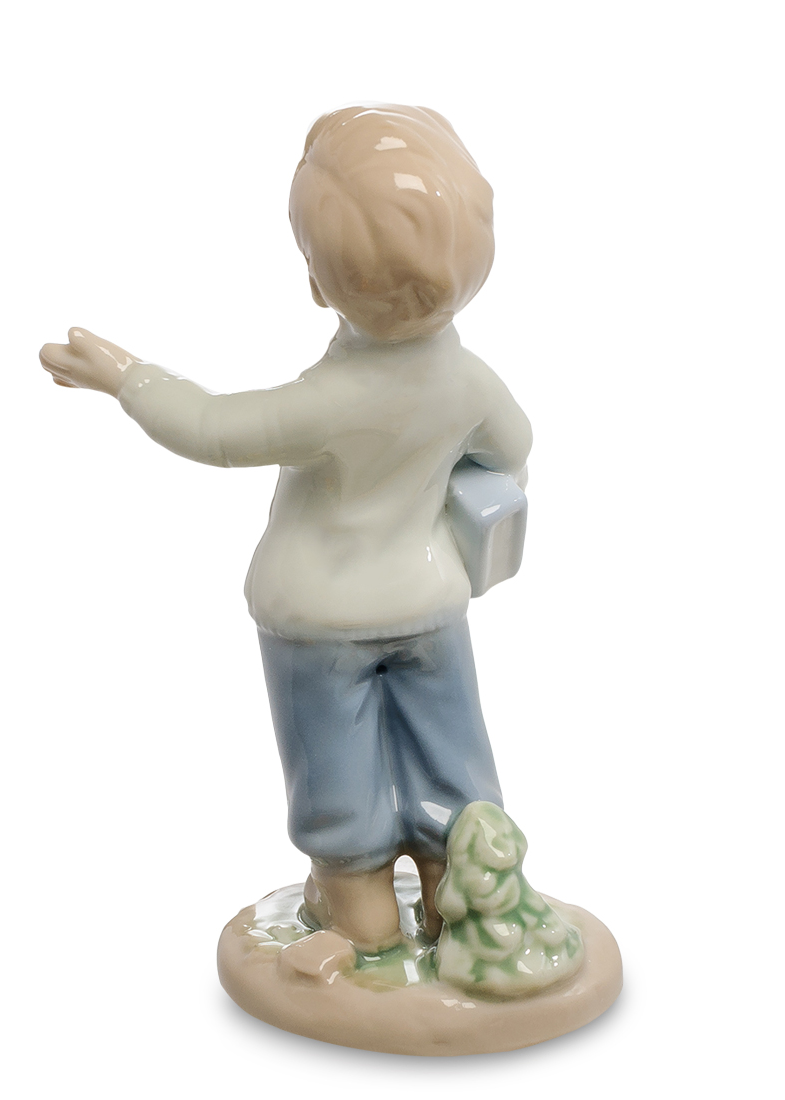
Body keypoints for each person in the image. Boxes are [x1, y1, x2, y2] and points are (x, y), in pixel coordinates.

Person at [39, 104, 531, 953]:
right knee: (451, 756)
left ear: (317, 284)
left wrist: (126, 377)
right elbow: (513, 450)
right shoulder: (471, 383)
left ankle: (362, 916)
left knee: (335, 774)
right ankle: (459, 897)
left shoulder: (326, 403)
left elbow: (214, 429)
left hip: (317, 619)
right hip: (430, 604)